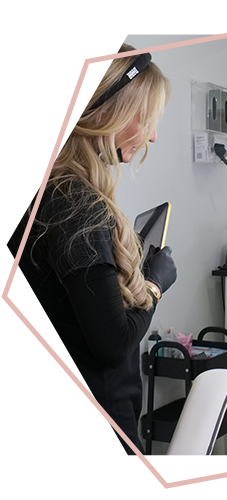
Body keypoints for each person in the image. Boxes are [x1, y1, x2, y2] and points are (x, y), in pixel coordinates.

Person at [5, 40, 177, 457]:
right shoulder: (75, 204)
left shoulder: (34, 189)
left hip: (43, 412)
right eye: (145, 119)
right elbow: (113, 342)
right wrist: (156, 281)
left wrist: (112, 255)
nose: (152, 135)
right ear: (108, 114)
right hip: (89, 428)